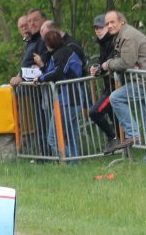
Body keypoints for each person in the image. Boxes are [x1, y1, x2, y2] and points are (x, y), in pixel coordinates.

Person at [96, 10, 146, 163]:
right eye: (107, 23)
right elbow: (127, 61)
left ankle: (133, 134)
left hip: (143, 81)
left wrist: (107, 64)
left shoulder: (127, 36)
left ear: (121, 21)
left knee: (115, 98)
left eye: (112, 22)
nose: (109, 26)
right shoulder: (122, 35)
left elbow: (126, 62)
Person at [32, 29, 85, 161]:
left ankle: (68, 160)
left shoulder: (62, 54)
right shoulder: (60, 53)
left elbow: (58, 73)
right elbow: (54, 71)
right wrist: (43, 71)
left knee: (52, 138)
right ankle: (75, 165)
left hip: (67, 101)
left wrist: (40, 79)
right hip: (72, 100)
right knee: (71, 136)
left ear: (48, 45)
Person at [88, 14, 119, 153]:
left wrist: (101, 68)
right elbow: (104, 65)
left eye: (100, 27)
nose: (98, 30)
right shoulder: (103, 43)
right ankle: (121, 144)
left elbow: (113, 63)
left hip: (115, 87)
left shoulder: (113, 41)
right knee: (117, 119)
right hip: (110, 87)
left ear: (108, 27)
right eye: (96, 28)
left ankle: (113, 139)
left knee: (94, 112)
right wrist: (95, 68)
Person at [10, 9, 49, 86]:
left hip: (39, 88)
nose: (32, 24)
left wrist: (22, 78)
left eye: (35, 20)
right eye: (30, 21)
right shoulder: (31, 41)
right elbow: (27, 64)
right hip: (29, 88)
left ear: (44, 20)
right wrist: (18, 76)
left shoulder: (43, 39)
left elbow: (42, 66)